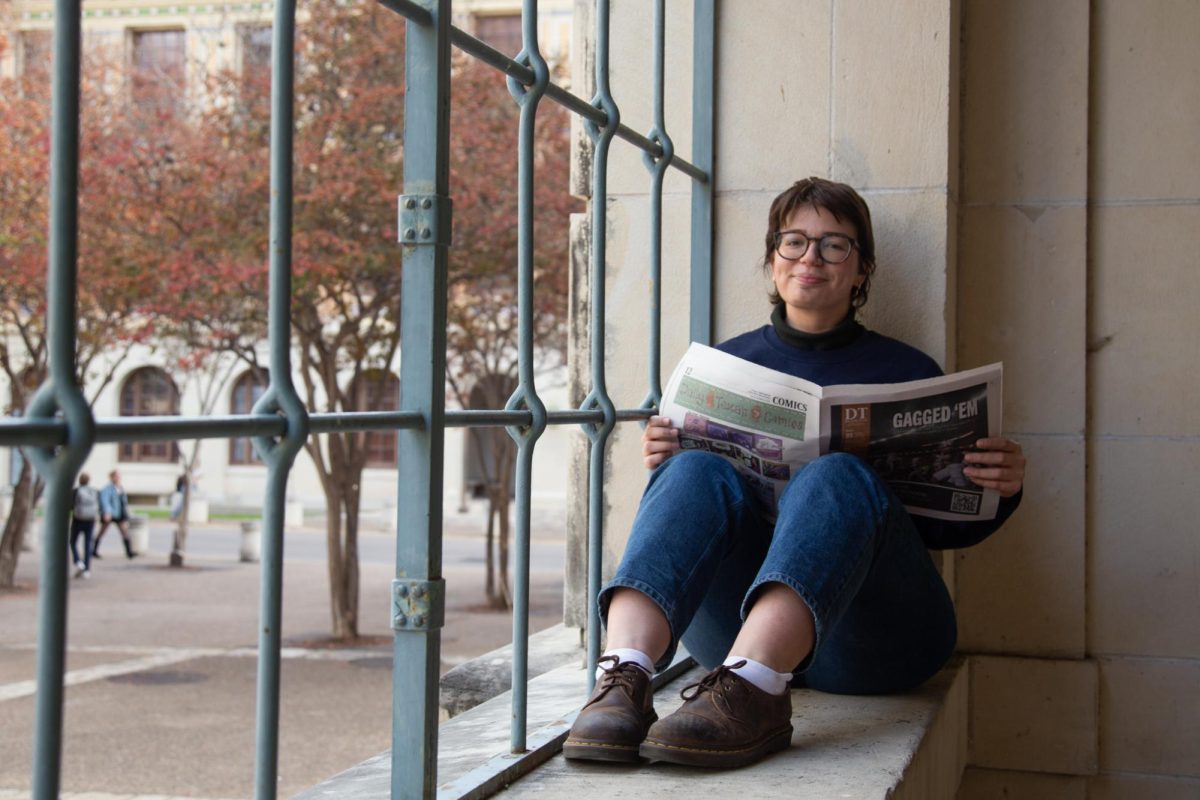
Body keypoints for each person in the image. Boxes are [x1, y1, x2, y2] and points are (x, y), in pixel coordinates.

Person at [563, 177, 1026, 769]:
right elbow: (686, 520)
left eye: (835, 245)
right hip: (730, 640)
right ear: (772, 261)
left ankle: (756, 688)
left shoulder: (909, 370)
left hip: (874, 640)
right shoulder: (723, 368)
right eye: (794, 242)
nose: (811, 257)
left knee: (835, 475)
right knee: (693, 469)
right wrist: (666, 461)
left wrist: (999, 488)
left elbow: (946, 531)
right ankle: (621, 680)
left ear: (862, 271)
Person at [93, 469, 136, 560]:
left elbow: (123, 501)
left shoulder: (120, 488)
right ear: (112, 477)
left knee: (125, 532)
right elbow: (105, 501)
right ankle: (94, 550)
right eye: (116, 476)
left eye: (119, 476)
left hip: (119, 513)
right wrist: (107, 512)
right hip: (110, 513)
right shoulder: (107, 489)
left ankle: (129, 552)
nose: (118, 478)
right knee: (102, 532)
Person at [69, 472, 100, 578]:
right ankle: (87, 569)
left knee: (73, 541)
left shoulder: (76, 491)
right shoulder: (94, 491)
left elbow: (71, 505)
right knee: (87, 544)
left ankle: (78, 561)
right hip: (91, 520)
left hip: (78, 519)